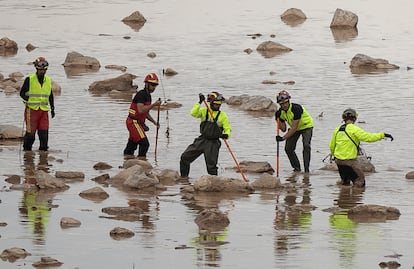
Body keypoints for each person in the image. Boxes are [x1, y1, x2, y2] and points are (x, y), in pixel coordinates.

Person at [329, 108, 393, 188]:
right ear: (354, 118)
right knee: (360, 183)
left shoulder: (337, 129)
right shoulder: (354, 129)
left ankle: (343, 199)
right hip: (350, 162)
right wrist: (383, 135)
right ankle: (355, 199)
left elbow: (331, 146)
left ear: (343, 118)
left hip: (339, 162)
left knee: (345, 183)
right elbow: (368, 138)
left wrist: (335, 155)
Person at [180, 92, 231, 178]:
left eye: (219, 105)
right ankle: (184, 179)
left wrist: (226, 134)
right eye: (215, 104)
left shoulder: (223, 116)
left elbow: (227, 128)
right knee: (185, 158)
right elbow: (193, 113)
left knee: (211, 167)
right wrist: (199, 102)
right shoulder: (204, 111)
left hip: (213, 143)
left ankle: (214, 183)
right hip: (201, 140)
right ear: (210, 103)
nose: (217, 106)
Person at [20, 57, 55, 151]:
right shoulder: (29, 79)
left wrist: (52, 108)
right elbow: (22, 93)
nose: (42, 71)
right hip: (31, 110)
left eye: (44, 70)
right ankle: (27, 153)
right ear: (36, 68)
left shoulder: (48, 80)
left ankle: (43, 156)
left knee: (44, 134)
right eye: (40, 70)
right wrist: (26, 99)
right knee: (31, 135)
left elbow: (50, 95)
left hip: (43, 110)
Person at [123, 73, 161, 159]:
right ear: (146, 84)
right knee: (144, 143)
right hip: (133, 122)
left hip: (137, 123)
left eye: (155, 85)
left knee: (132, 144)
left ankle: (127, 160)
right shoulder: (141, 94)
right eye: (152, 85)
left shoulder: (148, 96)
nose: (154, 87)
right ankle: (142, 161)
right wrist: (154, 104)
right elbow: (141, 110)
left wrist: (154, 122)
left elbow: (146, 113)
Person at [275, 90, 314, 173]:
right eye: (282, 104)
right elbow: (284, 129)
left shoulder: (296, 108)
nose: (284, 105)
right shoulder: (280, 113)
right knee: (288, 148)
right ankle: (297, 168)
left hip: (306, 126)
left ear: (288, 101)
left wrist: (283, 138)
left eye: (285, 102)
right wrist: (278, 120)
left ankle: (306, 170)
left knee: (306, 146)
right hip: (294, 128)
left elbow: (294, 128)